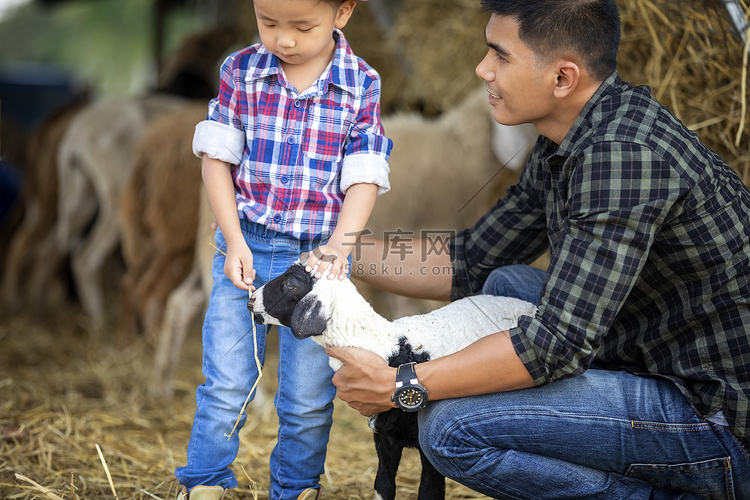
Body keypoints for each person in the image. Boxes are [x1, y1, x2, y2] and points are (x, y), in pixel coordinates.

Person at [326, 0, 750, 498]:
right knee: (502, 282)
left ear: (563, 78)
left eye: (499, 56)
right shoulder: (564, 138)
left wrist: (403, 382)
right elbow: (471, 258)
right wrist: (337, 250)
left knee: (449, 430)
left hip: (714, 419)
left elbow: (554, 345)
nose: (482, 69)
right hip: (652, 350)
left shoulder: (620, 160)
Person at [175, 0, 392, 499]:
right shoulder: (240, 69)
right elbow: (216, 159)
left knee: (308, 394)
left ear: (343, 13)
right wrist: (231, 240)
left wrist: (340, 246)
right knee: (227, 381)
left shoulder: (362, 82)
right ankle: (206, 484)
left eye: (302, 26)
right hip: (247, 245)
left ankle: (296, 488)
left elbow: (364, 174)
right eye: (268, 22)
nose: (284, 39)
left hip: (318, 262)